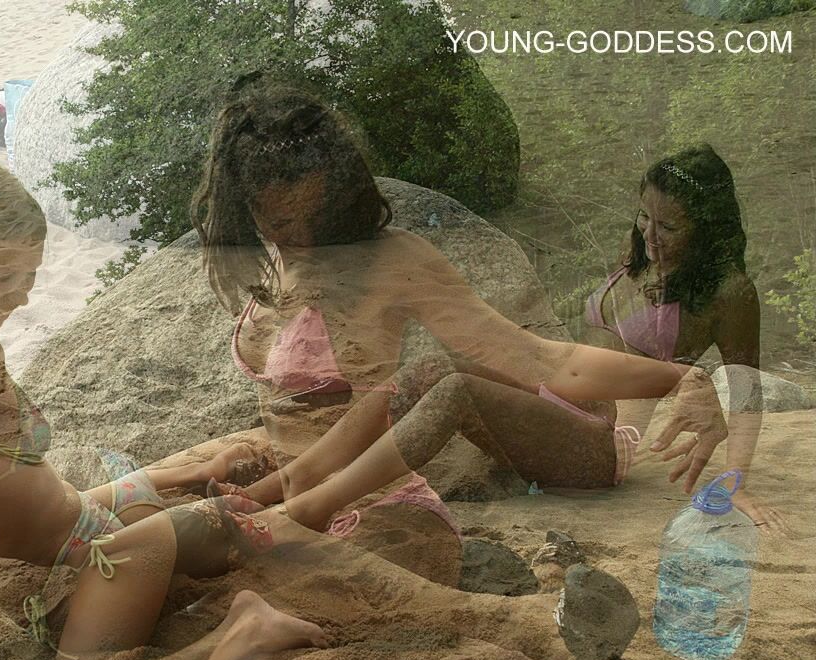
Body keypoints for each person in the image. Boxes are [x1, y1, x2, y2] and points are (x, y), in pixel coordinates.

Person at [0, 164, 327, 660]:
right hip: (75, 556)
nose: (21, 295)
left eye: (30, 275)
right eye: (2, 275)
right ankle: (236, 592)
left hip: (99, 555)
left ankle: (247, 618)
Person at [188, 80, 729, 548]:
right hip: (509, 431)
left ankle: (302, 504)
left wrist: (682, 378)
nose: (299, 234)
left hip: (584, 446)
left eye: (311, 215)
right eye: (276, 220)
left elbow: (548, 359)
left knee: (440, 376)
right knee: (416, 381)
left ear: (338, 196)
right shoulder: (275, 268)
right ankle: (278, 490)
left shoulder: (393, 260)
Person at [577, 144, 783, 533]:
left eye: (669, 227)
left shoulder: (729, 293)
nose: (651, 235)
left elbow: (746, 392)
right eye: (644, 216)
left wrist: (736, 482)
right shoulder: (642, 253)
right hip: (559, 393)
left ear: (707, 229)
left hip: (599, 439)